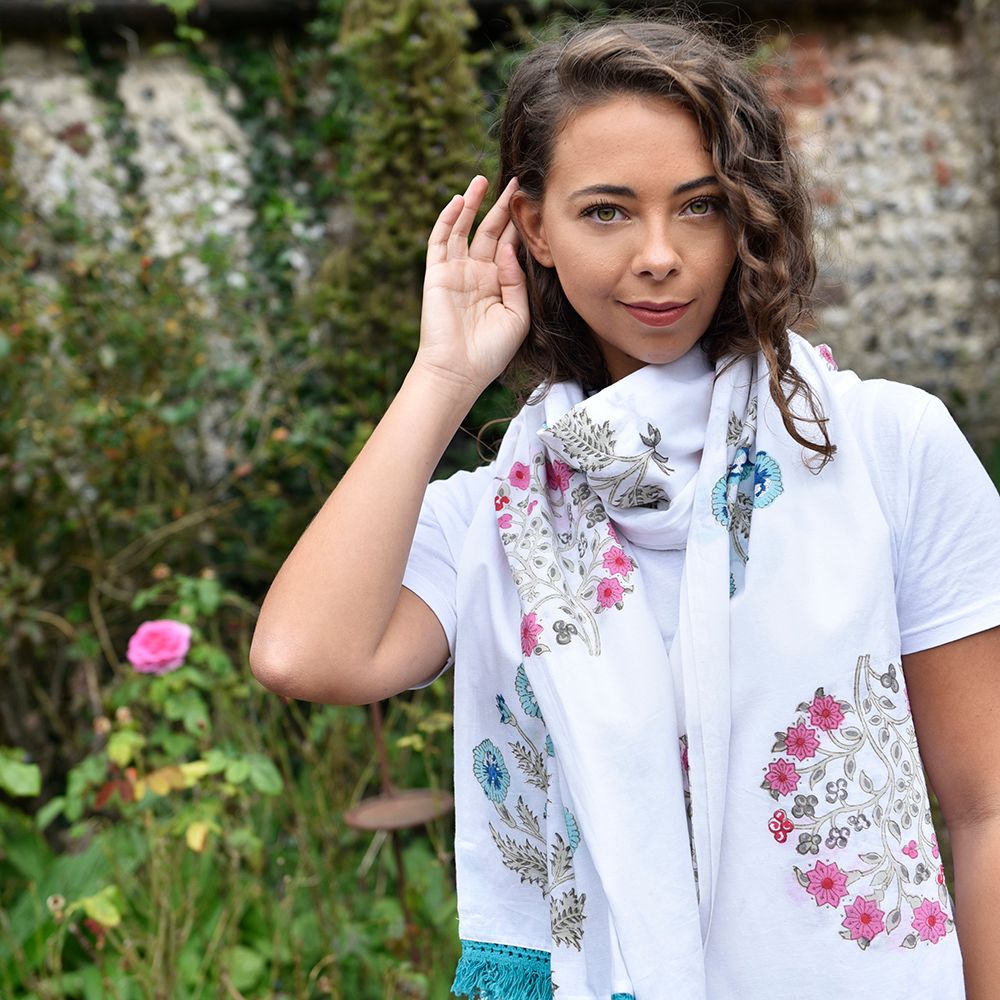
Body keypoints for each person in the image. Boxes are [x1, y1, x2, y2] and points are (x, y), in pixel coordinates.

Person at [250, 18, 1000, 1000]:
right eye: (606, 211)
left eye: (699, 206)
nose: (660, 255)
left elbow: (985, 807)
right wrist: (442, 373)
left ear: (743, 217)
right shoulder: (494, 519)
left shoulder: (883, 449)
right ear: (533, 229)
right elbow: (305, 655)